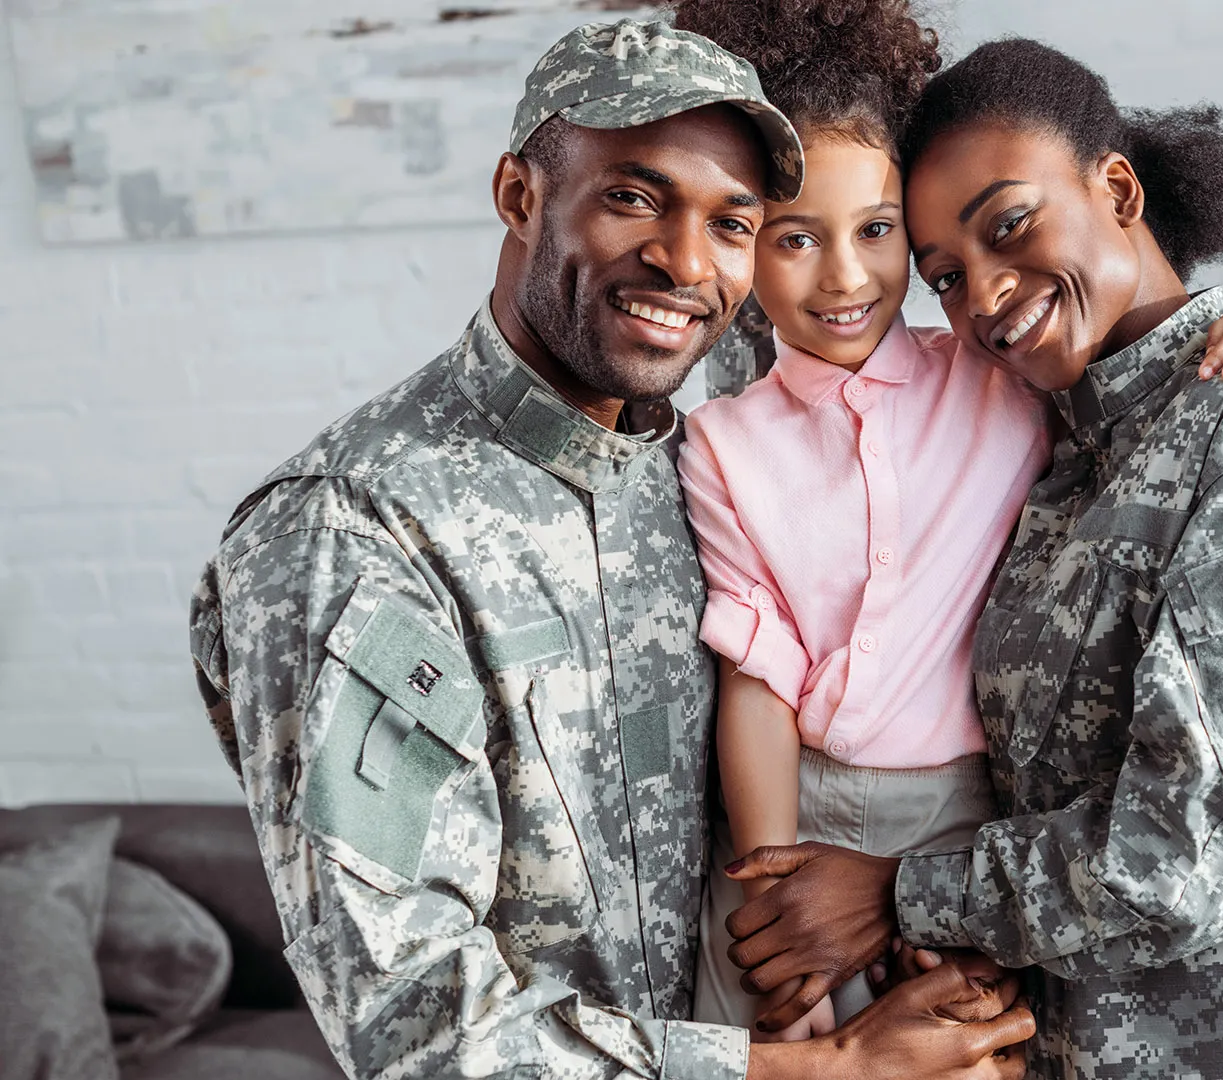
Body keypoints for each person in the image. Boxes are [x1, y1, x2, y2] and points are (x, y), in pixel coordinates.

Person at [186, 20, 1033, 1080]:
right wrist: (834, 1071)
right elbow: (411, 1018)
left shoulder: (707, 440)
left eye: (733, 222)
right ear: (519, 196)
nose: (685, 262)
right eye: (634, 198)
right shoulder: (353, 528)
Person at [715, 38, 1223, 1078]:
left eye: (1009, 226)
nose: (982, 296)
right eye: (945, 275)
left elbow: (1214, 846)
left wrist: (896, 891)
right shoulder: (1066, 438)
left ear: (1118, 186)